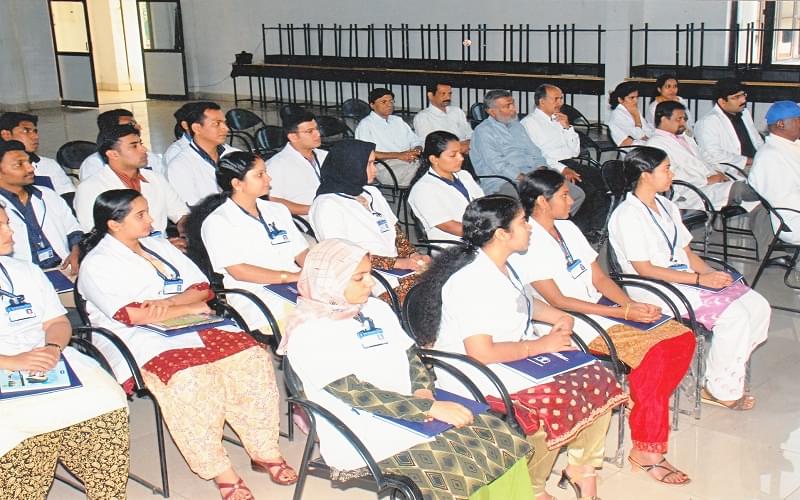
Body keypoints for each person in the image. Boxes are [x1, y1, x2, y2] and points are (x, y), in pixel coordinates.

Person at [78, 189, 298, 499]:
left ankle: (264, 450)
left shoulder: (157, 246)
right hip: (142, 338)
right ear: (114, 224)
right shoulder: (97, 264)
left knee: (252, 357)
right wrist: (185, 306)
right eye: (140, 215)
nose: (151, 220)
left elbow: (203, 289)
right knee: (191, 379)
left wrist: (166, 303)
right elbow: (130, 314)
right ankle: (220, 469)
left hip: (195, 324)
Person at [286, 238, 535, 500]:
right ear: (330, 282)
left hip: (410, 405)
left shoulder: (376, 309)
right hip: (361, 424)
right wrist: (428, 408)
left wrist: (424, 392)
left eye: (369, 274)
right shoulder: (308, 333)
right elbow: (357, 394)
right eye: (359, 278)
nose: (371, 283)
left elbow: (411, 357)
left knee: (498, 435)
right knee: (454, 464)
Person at [415, 195, 627, 500]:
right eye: (523, 222)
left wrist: (558, 316)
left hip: (515, 358)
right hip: (478, 371)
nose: (529, 228)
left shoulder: (506, 265)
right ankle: (533, 488)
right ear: (502, 233)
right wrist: (541, 345)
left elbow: (524, 303)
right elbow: (481, 352)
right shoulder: (471, 281)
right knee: (552, 404)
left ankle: (582, 469)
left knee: (596, 376)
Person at [510, 169, 695, 485]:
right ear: (542, 201)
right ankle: (647, 449)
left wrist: (628, 306)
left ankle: (642, 399)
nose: (571, 199)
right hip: (573, 322)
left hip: (602, 308)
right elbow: (559, 300)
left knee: (681, 336)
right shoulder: (527, 239)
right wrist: (620, 311)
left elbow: (599, 278)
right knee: (655, 355)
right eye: (564, 194)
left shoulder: (568, 228)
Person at [608, 146, 770, 411]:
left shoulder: (667, 205)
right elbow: (644, 269)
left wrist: (709, 273)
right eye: (666, 169)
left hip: (684, 277)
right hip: (654, 286)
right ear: (645, 175)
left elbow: (685, 251)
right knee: (735, 316)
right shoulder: (627, 215)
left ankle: (723, 368)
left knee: (758, 306)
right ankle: (718, 389)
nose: (672, 174)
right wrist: (698, 280)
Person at [0, 202, 129, 499]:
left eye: (9, 222)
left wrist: (52, 348)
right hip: (6, 363)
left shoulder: (24, 270)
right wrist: (11, 361)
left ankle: (107, 492)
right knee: (20, 427)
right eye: (2, 225)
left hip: (44, 354)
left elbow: (57, 321)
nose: (11, 230)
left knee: (105, 399)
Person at [190, 151, 308, 333]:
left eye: (265, 172)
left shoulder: (277, 210)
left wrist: (316, 270)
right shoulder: (218, 221)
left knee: (341, 302)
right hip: (256, 292)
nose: (268, 178)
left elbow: (301, 252)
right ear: (237, 184)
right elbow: (238, 271)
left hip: (294, 283)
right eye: (259, 175)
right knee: (309, 319)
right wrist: (290, 277)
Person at [309, 140, 430, 302]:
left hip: (400, 268)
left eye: (374, 163)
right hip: (367, 277)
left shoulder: (371, 193)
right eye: (369, 164)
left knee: (447, 282)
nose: (375, 170)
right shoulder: (327, 205)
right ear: (350, 167)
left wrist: (413, 255)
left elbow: (397, 233)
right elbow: (344, 257)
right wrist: (399, 263)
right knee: (425, 298)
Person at [74, 124, 189, 251]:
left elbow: (181, 214)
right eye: (134, 146)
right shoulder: (90, 188)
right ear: (113, 154)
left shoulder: (155, 178)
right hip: (121, 256)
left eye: (141, 143)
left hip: (164, 248)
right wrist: (160, 247)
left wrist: (189, 234)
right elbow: (97, 237)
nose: (144, 149)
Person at [471, 89, 586, 212]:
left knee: (575, 194)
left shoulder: (517, 126)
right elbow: (498, 165)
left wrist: (542, 170)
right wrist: (526, 179)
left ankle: (553, 226)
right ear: (492, 112)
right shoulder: (483, 132)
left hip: (531, 175)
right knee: (524, 206)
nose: (513, 109)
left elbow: (535, 152)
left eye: (513, 104)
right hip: (503, 181)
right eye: (507, 106)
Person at [520, 84, 610, 240]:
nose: (560, 102)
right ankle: (579, 231)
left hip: (571, 161)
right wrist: (562, 169)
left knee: (606, 182)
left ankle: (595, 228)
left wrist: (567, 127)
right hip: (551, 166)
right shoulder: (529, 123)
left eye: (561, 98)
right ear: (542, 102)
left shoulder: (559, 119)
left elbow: (575, 151)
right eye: (556, 99)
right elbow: (539, 155)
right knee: (587, 189)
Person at [646, 100, 760, 211]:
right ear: (664, 119)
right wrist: (706, 180)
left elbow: (706, 157)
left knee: (758, 200)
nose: (683, 123)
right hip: (689, 189)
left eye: (684, 119)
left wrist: (718, 172)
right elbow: (670, 174)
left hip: (711, 182)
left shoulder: (685, 137)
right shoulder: (655, 144)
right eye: (679, 119)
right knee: (742, 190)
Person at [0, 141, 82, 274]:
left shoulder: (48, 195)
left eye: (28, 162)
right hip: (20, 278)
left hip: (63, 268)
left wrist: (77, 251)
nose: (30, 168)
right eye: (19, 164)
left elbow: (74, 230)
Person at [407, 131, 484, 241]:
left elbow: (483, 203)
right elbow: (449, 226)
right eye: (453, 155)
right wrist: (486, 233)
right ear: (434, 159)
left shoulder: (464, 175)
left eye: (460, 153)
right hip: (454, 246)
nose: (461, 158)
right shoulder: (423, 189)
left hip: (478, 234)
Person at [749, 101, 800, 247]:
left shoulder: (791, 145)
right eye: (798, 120)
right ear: (781, 124)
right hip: (793, 220)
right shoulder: (769, 156)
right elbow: (783, 198)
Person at [166, 101, 237, 206]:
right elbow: (193, 209)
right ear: (197, 128)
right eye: (216, 124)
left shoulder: (234, 154)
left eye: (225, 123)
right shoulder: (180, 166)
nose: (225, 128)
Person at [354, 87, 422, 186]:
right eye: (384, 102)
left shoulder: (397, 121)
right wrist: (399, 155)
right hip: (386, 166)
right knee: (425, 176)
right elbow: (367, 153)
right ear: (372, 105)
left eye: (391, 101)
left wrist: (416, 150)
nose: (389, 105)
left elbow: (415, 141)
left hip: (410, 160)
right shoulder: (366, 125)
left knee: (436, 168)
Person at [266, 109, 327, 216]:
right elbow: (272, 200)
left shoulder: (325, 156)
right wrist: (313, 210)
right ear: (293, 137)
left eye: (317, 129)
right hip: (305, 220)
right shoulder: (276, 165)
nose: (317, 134)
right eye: (310, 131)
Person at [0, 112, 75, 198]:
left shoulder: (48, 165)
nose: (35, 136)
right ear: (6, 135)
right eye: (26, 131)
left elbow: (68, 195)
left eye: (35, 131)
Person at [695, 78, 764, 169]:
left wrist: (764, 156)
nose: (743, 100)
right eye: (736, 97)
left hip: (756, 163)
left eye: (743, 95)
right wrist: (748, 161)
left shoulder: (745, 113)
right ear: (722, 102)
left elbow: (757, 141)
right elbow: (713, 155)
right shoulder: (707, 122)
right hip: (734, 170)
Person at [79, 108, 165, 180]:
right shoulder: (93, 164)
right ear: (112, 130)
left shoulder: (149, 156)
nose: (138, 127)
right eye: (130, 124)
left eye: (135, 124)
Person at [412, 82, 472, 153]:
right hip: (445, 155)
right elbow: (428, 145)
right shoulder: (423, 117)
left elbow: (470, 133)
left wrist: (469, 143)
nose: (448, 97)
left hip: (468, 150)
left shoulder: (457, 111)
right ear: (430, 95)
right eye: (443, 94)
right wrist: (459, 147)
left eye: (449, 93)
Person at [608, 81, 655, 147]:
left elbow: (646, 129)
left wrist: (651, 137)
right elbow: (638, 135)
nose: (636, 101)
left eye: (637, 97)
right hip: (631, 148)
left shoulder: (633, 109)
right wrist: (636, 117)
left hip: (640, 142)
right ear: (620, 99)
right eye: (632, 98)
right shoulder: (617, 115)